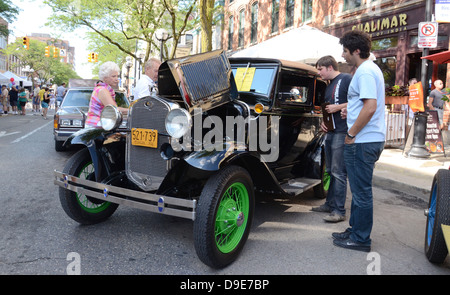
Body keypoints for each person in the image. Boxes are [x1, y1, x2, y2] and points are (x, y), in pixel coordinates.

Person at [333, 30, 386, 252]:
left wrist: (351, 133)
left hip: (362, 141)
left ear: (356, 50)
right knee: (358, 189)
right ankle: (355, 230)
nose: (343, 56)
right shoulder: (369, 69)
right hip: (368, 138)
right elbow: (364, 105)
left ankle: (361, 239)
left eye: (345, 51)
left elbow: (370, 107)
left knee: (361, 192)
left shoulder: (364, 71)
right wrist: (351, 112)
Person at [312, 55, 352, 223]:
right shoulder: (329, 86)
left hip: (342, 132)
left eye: (320, 69)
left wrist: (339, 106)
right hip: (331, 132)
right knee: (329, 171)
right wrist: (324, 122)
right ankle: (329, 204)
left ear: (329, 67)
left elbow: (359, 101)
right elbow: (328, 109)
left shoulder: (346, 79)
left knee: (338, 172)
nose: (319, 72)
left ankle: (339, 211)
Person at [85, 61, 128, 128]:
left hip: (100, 125)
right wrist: (132, 110)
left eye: (117, 76)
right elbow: (115, 110)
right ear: (105, 78)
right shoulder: (103, 91)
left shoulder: (103, 88)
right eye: (113, 76)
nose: (116, 79)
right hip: (97, 126)